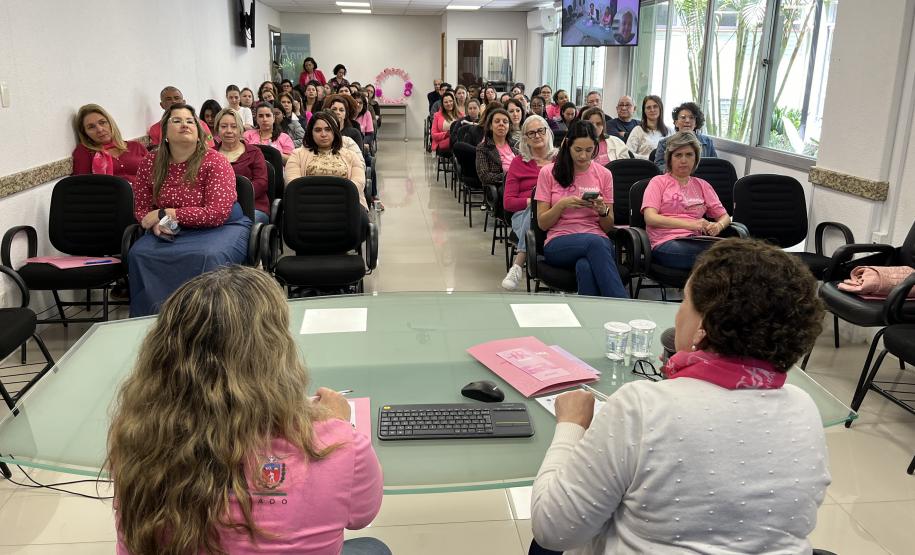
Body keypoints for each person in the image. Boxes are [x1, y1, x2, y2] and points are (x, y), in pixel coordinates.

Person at [530, 238, 829, 555]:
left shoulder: (641, 407)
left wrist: (571, 425)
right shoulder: (803, 407)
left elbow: (553, 529)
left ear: (702, 326)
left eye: (685, 300)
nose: (677, 315)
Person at [108, 266, 388, 555]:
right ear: (276, 352)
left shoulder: (137, 438)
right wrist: (339, 424)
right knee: (373, 548)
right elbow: (362, 514)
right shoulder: (337, 444)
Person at [127, 104, 251, 317]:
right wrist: (157, 222)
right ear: (165, 132)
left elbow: (216, 213)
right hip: (172, 227)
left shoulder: (215, 160)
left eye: (190, 121)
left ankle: (205, 322)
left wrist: (166, 213)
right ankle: (156, 323)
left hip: (221, 227)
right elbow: (143, 208)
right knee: (139, 253)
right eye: (177, 121)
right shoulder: (150, 162)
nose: (184, 124)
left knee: (206, 256)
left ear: (199, 131)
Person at [534, 119, 628, 298]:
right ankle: (621, 305)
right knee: (596, 243)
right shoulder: (548, 173)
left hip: (597, 240)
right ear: (567, 145)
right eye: (578, 150)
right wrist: (562, 205)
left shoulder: (604, 174)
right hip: (560, 242)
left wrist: (602, 211)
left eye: (589, 150)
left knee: (585, 266)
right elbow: (542, 223)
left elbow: (608, 227)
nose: (583, 156)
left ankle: (589, 315)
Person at [642, 131, 730, 269]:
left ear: (696, 158)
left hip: (696, 240)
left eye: (689, 155)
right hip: (666, 241)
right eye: (678, 155)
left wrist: (718, 226)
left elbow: (725, 217)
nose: (684, 160)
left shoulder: (703, 185)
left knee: (732, 253)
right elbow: (650, 218)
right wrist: (692, 224)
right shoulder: (658, 182)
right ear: (670, 159)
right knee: (719, 259)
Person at [501, 115, 557, 291]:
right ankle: (519, 264)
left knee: (540, 206)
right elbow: (508, 202)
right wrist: (532, 201)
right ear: (525, 138)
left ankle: (519, 263)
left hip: (554, 213)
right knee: (534, 206)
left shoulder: (560, 160)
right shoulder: (518, 163)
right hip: (523, 215)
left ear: (548, 132)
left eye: (540, 131)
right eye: (531, 133)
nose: (537, 135)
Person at [285, 112, 369, 212]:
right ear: (311, 133)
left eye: (328, 129)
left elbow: (358, 183)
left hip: (346, 202)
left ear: (335, 132)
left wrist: (336, 198)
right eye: (318, 130)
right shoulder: (297, 155)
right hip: (307, 204)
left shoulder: (351, 156)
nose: (323, 134)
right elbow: (293, 184)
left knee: (360, 217)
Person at [214, 108, 269, 225]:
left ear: (240, 129)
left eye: (234, 126)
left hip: (252, 206)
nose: (229, 131)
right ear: (217, 129)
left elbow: (261, 183)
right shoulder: (210, 155)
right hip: (217, 208)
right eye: (223, 126)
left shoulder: (254, 152)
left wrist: (231, 196)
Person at [71, 104, 148, 185]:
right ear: (85, 133)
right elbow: (82, 186)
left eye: (102, 122)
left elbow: (155, 174)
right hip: (112, 193)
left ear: (110, 123)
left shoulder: (136, 146)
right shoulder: (85, 152)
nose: (100, 129)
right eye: (91, 127)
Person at [654, 101, 717, 171]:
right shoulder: (663, 143)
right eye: (683, 117)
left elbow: (714, 166)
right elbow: (658, 167)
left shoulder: (707, 142)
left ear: (696, 123)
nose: (687, 121)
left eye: (691, 118)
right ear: (676, 123)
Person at [147, 86, 214, 148]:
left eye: (177, 98)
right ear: (162, 105)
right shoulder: (155, 129)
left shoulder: (201, 124)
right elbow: (156, 152)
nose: (173, 101)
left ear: (184, 102)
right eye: (168, 99)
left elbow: (210, 140)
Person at [476, 108, 519, 191]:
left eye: (505, 122)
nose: (501, 124)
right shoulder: (483, 148)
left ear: (509, 126)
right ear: (490, 126)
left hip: (520, 182)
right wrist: (508, 176)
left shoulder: (516, 145)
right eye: (497, 121)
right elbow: (484, 176)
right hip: (501, 186)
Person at [627, 94, 671, 159]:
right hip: (643, 164)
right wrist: (649, 158)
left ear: (660, 109)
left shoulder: (670, 131)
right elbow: (628, 154)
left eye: (655, 106)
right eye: (648, 107)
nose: (652, 110)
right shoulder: (637, 130)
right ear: (644, 111)